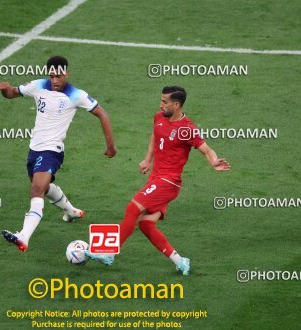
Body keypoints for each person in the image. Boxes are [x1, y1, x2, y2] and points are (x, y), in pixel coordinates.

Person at [87, 86, 230, 275]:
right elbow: (155, 135)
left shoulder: (187, 129)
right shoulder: (159, 117)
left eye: (165, 102)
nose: (160, 105)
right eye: (161, 100)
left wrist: (214, 162)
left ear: (176, 104)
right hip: (156, 178)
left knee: (132, 209)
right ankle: (180, 260)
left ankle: (110, 251)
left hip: (169, 182)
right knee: (146, 224)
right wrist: (148, 159)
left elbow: (206, 149)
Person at [0, 56, 116, 252]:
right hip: (34, 150)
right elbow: (12, 93)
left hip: (52, 151)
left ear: (66, 74)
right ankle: (70, 211)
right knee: (43, 189)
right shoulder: (38, 85)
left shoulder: (76, 94)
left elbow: (102, 114)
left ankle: (23, 236)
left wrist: (110, 145)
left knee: (36, 189)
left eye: (59, 76)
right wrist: (5, 90)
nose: (55, 80)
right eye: (52, 75)